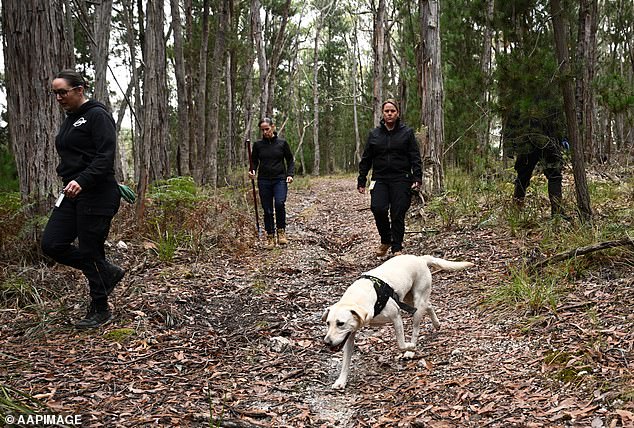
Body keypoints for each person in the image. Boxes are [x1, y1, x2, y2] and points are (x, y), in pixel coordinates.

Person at [41, 69, 125, 330]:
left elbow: (105, 156)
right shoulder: (70, 119)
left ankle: (100, 309)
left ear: (80, 90)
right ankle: (107, 272)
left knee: (91, 250)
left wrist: (83, 179)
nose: (58, 97)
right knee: (52, 243)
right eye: (55, 93)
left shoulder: (97, 115)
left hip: (97, 193)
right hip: (71, 192)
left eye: (62, 92)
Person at [357, 99, 422, 257]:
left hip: (401, 178)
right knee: (378, 208)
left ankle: (397, 247)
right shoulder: (374, 134)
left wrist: (417, 177)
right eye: (387, 111)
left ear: (397, 113)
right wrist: (362, 179)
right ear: (382, 113)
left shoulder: (407, 133)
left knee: (398, 212)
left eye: (392, 111)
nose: (390, 114)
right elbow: (366, 159)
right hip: (380, 178)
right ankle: (386, 240)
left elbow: (415, 156)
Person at [504, 103, 568, 219]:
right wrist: (509, 145)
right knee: (523, 177)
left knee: (554, 176)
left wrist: (563, 138)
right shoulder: (522, 94)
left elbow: (558, 118)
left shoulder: (550, 94)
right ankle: (516, 213)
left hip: (547, 143)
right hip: (528, 143)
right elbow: (511, 121)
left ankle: (557, 213)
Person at [248, 117, 295, 249]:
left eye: (267, 129)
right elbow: (254, 162)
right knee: (267, 209)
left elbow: (290, 160)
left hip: (280, 179)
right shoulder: (258, 145)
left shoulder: (282, 143)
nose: (265, 132)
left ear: (273, 127)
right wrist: (252, 171)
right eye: (262, 130)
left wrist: (290, 174)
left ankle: (281, 232)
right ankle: (270, 236)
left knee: (279, 203)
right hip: (264, 180)